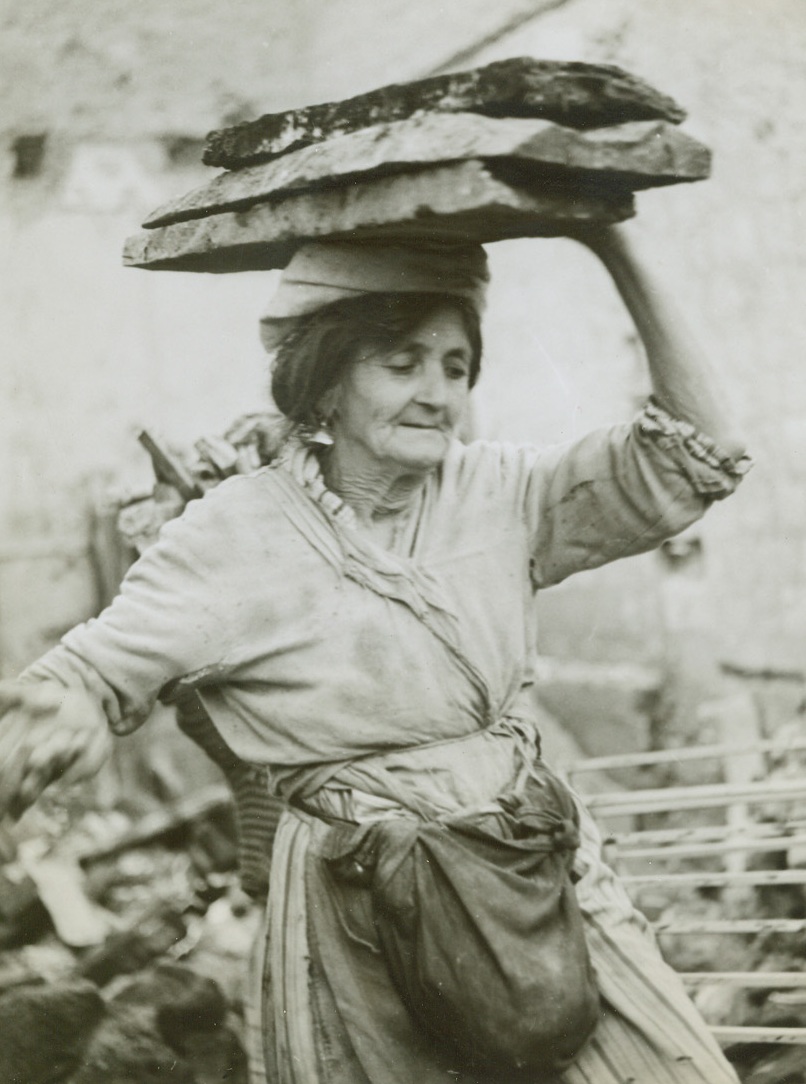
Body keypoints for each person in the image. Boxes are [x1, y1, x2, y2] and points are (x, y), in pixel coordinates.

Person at [0, 226, 749, 1083]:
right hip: (362, 921)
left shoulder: (503, 492)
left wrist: (609, 242)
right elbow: (89, 674)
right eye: (402, 363)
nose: (437, 394)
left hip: (530, 874)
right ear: (325, 382)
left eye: (456, 366)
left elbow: (699, 454)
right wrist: (65, 711)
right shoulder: (235, 536)